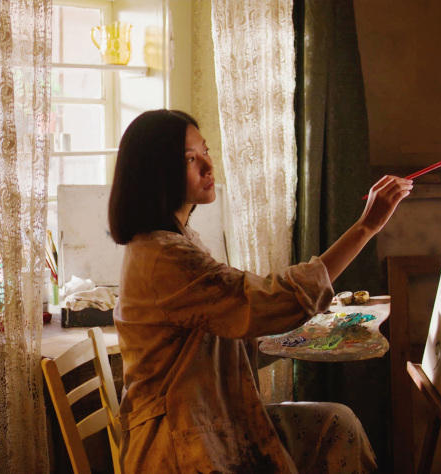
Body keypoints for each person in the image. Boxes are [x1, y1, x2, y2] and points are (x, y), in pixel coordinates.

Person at [108, 109, 411, 473]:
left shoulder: (178, 240)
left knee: (335, 424)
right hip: (177, 442)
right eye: (190, 159)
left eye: (205, 151)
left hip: (206, 417)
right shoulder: (164, 257)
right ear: (157, 173)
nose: (208, 166)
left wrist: (299, 337)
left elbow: (235, 320)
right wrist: (365, 228)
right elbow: (264, 301)